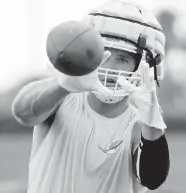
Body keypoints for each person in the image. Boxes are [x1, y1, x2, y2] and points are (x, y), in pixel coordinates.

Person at [12, 1, 170, 193]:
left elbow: (152, 178)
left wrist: (153, 124)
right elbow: (23, 112)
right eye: (103, 53)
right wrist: (62, 86)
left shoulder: (139, 125)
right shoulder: (62, 96)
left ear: (145, 65)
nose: (109, 67)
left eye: (122, 59)